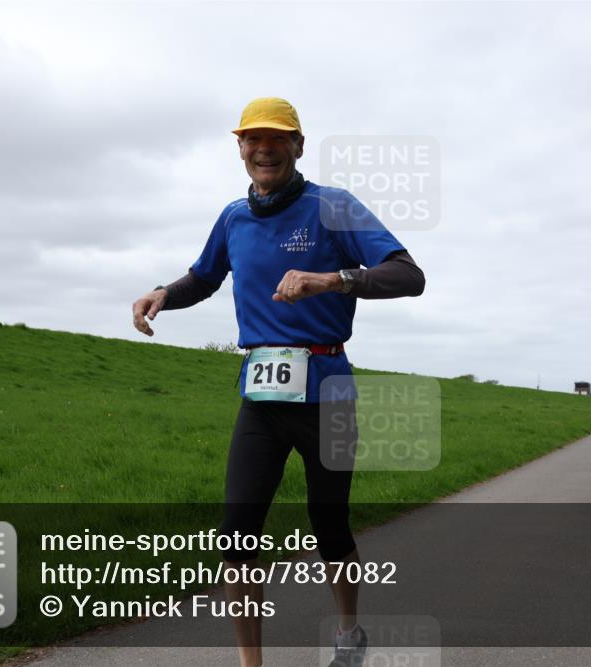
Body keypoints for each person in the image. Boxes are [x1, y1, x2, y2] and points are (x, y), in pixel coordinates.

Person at [131, 97, 425, 667]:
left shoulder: (333, 206)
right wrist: (164, 293)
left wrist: (332, 280)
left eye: (277, 139)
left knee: (329, 526)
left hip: (328, 392)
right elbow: (204, 277)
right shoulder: (232, 218)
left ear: (298, 146)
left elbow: (408, 275)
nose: (263, 149)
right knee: (237, 536)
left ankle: (348, 635)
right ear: (240, 147)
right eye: (252, 139)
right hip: (261, 399)